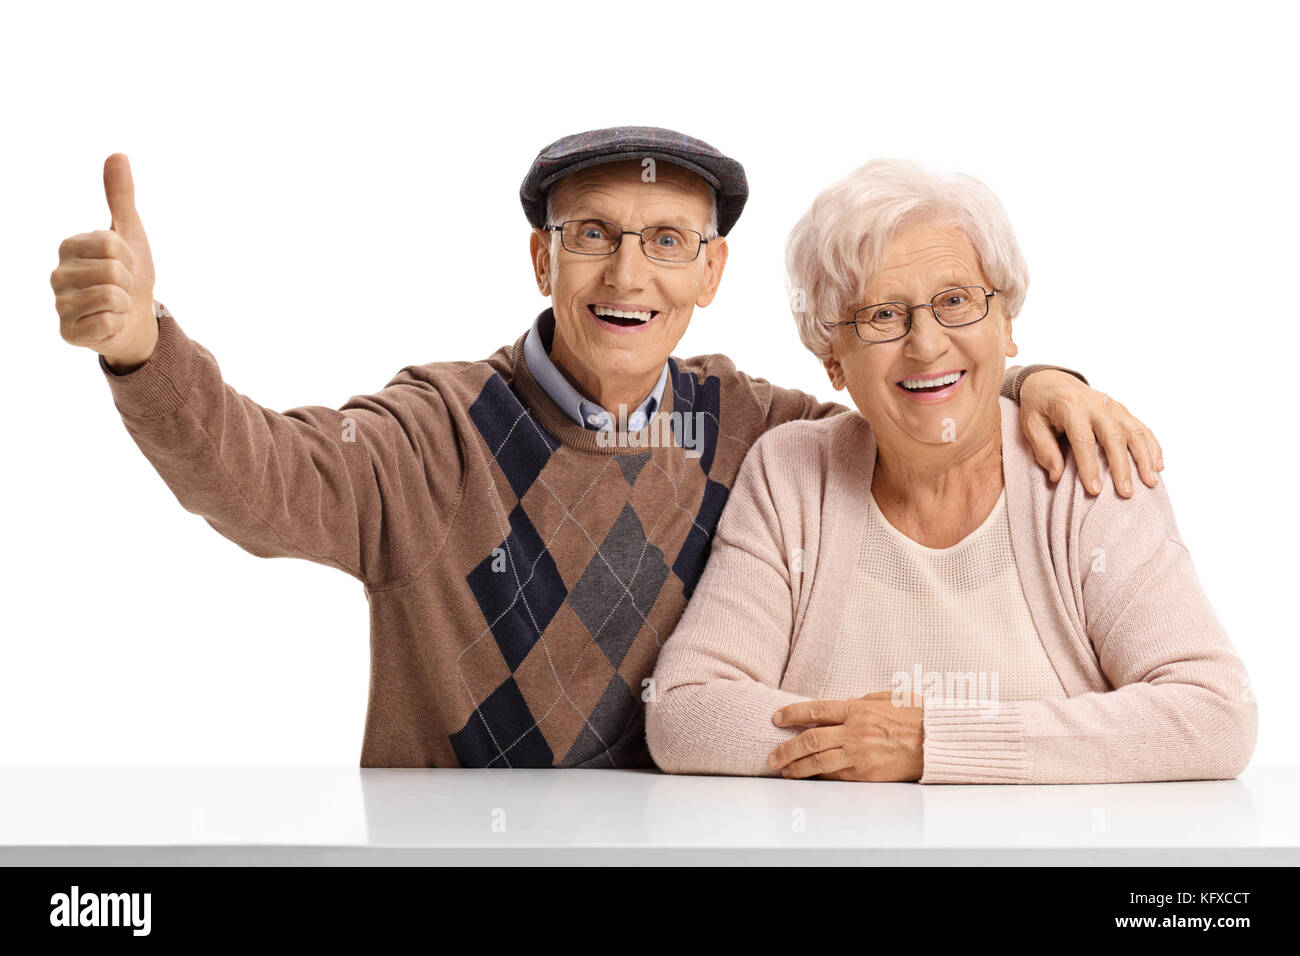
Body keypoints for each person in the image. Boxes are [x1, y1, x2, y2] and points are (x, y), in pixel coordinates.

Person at [51, 129, 1163, 769]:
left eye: (667, 241)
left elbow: (902, 387)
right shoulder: (434, 434)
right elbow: (261, 478)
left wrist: (1031, 377)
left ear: (710, 275)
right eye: (592, 237)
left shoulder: (756, 435)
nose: (629, 275)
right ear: (542, 258)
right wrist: (148, 352)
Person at [645, 158, 1255, 784]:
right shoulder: (793, 472)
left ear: (1007, 323)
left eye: (956, 301)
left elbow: (1214, 715)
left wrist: (932, 742)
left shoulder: (1085, 470)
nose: (927, 343)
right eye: (882, 315)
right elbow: (686, 710)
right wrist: (870, 742)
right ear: (833, 360)